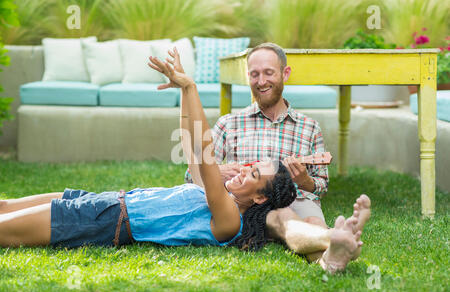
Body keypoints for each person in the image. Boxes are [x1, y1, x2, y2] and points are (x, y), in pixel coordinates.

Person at [0, 48, 370, 273]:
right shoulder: (229, 199)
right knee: (4, 206)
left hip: (106, 220)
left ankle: (329, 247)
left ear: (259, 198)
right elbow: (193, 143)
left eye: (253, 172)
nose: (243, 168)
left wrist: (192, 87)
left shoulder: (228, 219)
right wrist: (182, 90)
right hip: (109, 201)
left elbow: (204, 155)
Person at [184, 42, 371, 264]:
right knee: (288, 220)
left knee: (312, 220)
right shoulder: (229, 123)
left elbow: (321, 186)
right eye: (254, 75)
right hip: (247, 204)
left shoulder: (309, 127)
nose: (261, 82)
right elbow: (192, 176)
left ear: (285, 73)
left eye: (268, 73)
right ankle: (339, 239)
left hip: (295, 198)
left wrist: (304, 180)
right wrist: (219, 170)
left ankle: (331, 259)